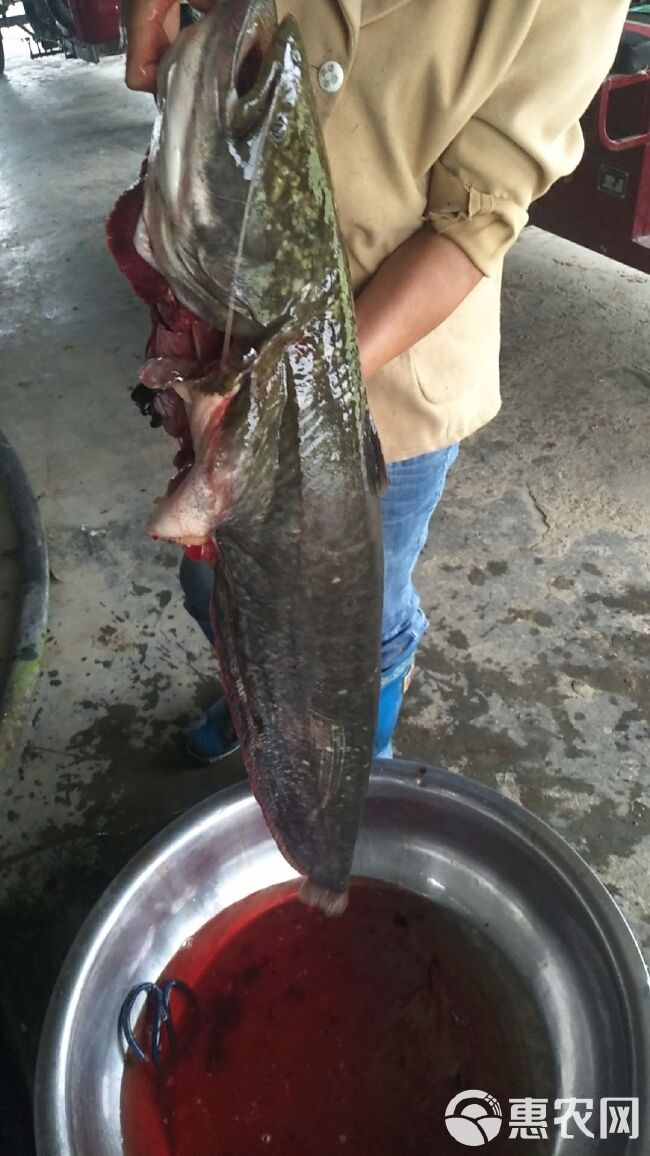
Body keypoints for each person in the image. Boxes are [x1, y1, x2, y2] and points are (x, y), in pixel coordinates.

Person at [123, 0, 628, 761]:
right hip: (229, 332)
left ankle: (362, 753)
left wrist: (295, 387)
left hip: (389, 377)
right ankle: (257, 701)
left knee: (356, 625)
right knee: (219, 592)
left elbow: (475, 222)